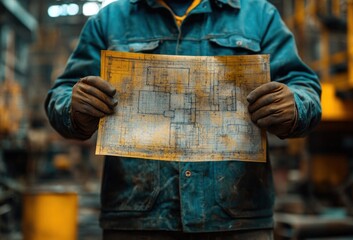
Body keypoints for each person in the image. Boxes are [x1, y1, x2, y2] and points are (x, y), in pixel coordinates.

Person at [44, 0, 322, 239]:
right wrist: (74, 108)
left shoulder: (258, 17)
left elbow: (303, 85)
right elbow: (62, 93)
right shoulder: (109, 21)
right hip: (137, 223)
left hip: (237, 222)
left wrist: (295, 106)